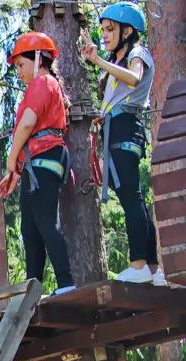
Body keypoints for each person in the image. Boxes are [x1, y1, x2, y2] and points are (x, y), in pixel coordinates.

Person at [81, 1, 166, 286]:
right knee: (133, 197)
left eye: (110, 29)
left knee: (131, 197)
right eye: (103, 30)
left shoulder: (138, 53)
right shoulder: (117, 62)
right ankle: (152, 270)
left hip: (126, 126)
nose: (104, 35)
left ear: (127, 31)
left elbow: (134, 78)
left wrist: (99, 62)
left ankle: (138, 264)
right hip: (117, 128)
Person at [0, 32, 76, 296]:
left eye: (21, 64)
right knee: (30, 230)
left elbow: (28, 124)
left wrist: (11, 161)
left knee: (45, 220)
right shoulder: (42, 85)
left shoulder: (43, 82)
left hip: (44, 160)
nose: (18, 71)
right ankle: (32, 291)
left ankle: (66, 283)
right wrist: (17, 172)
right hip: (35, 165)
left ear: (39, 59)